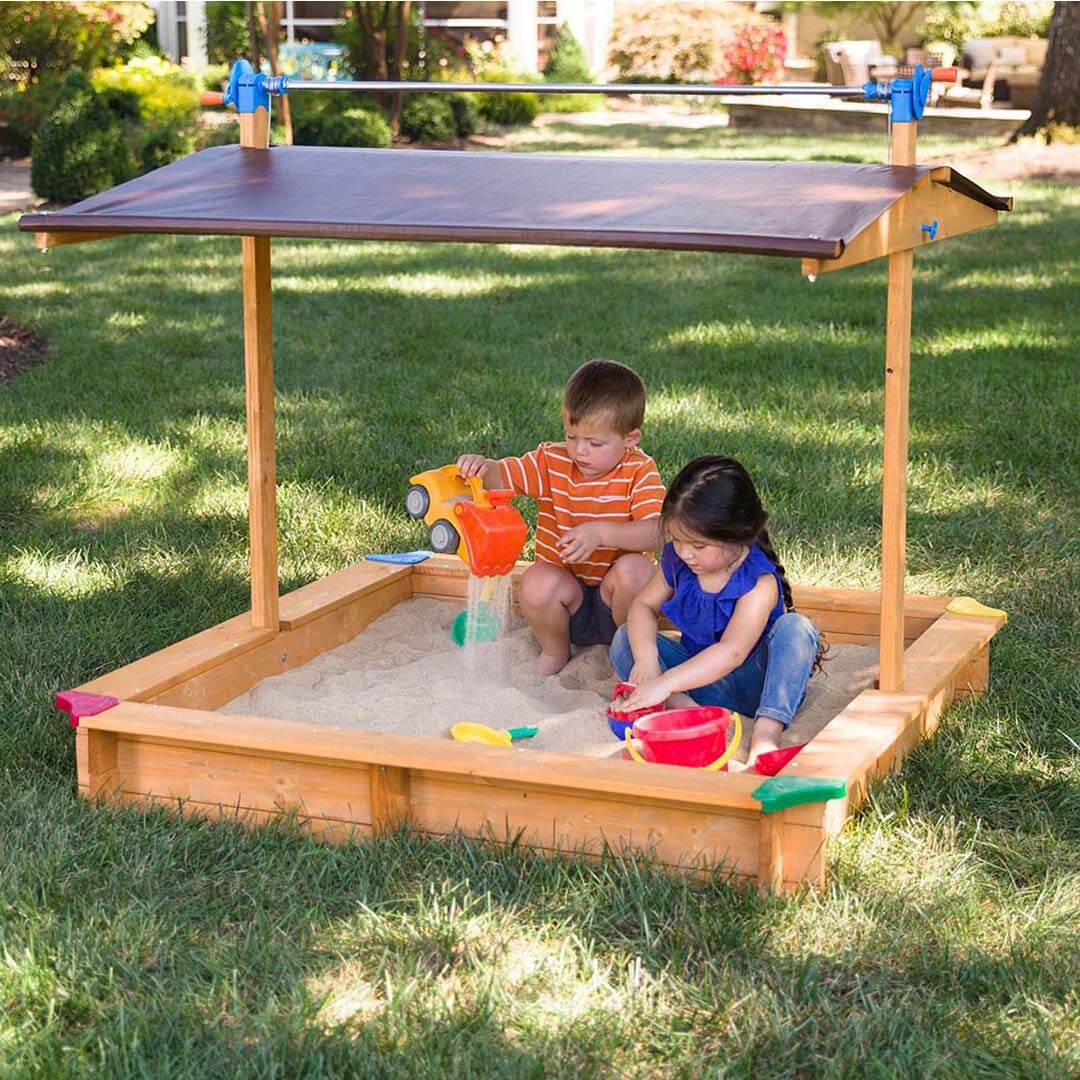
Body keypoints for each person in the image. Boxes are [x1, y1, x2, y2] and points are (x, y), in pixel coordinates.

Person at [610, 455, 821, 767]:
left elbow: (732, 652)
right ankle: (687, 711)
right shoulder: (676, 561)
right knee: (626, 637)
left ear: (736, 534)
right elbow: (642, 606)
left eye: (698, 546)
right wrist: (648, 661)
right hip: (698, 683)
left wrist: (666, 682)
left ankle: (766, 733)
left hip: (758, 684)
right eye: (678, 541)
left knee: (797, 629)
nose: (685, 553)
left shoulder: (758, 581)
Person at [458, 360, 665, 674]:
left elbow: (658, 531)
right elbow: (504, 475)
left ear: (630, 438)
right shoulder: (551, 461)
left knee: (636, 570)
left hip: (620, 604)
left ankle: (627, 651)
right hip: (567, 604)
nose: (580, 451)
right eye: (571, 436)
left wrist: (602, 534)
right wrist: (482, 467)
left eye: (595, 443)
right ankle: (554, 653)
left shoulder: (639, 470)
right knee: (535, 581)